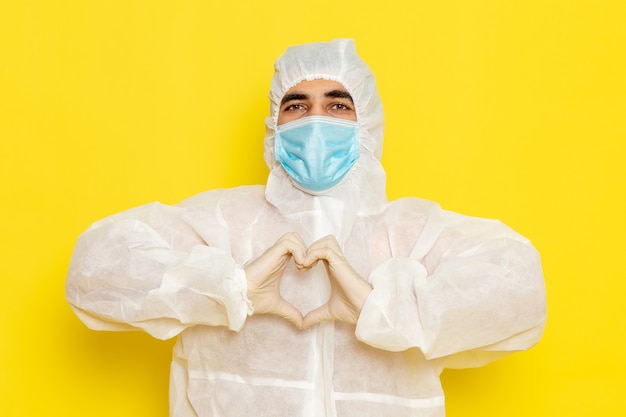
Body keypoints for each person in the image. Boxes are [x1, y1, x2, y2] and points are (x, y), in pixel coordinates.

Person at [66, 39, 546, 417]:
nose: (316, 121)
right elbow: (94, 268)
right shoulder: (223, 222)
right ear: (275, 126)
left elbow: (520, 287)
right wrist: (229, 287)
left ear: (368, 123)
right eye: (296, 106)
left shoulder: (410, 231)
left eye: (338, 106)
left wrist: (382, 304)